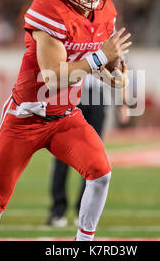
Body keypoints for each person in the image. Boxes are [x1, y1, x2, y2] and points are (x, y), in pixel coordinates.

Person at [0, 0, 131, 241]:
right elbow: (53, 78)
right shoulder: (48, 11)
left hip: (65, 117)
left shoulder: (105, 12)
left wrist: (117, 77)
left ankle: (82, 244)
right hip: (24, 118)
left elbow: (107, 62)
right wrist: (100, 58)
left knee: (101, 174)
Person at [45, 74, 107, 228]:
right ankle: (58, 210)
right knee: (62, 154)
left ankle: (83, 211)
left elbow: (116, 65)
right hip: (72, 91)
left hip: (96, 93)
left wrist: (124, 100)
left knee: (93, 157)